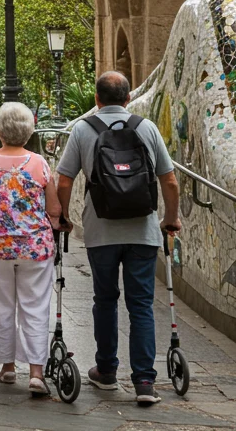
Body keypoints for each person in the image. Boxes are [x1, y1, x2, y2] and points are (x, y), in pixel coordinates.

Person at [56, 71, 181, 406]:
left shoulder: (83, 129)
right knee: (140, 304)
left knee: (105, 300)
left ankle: (107, 371)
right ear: (127, 99)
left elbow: (64, 180)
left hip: (101, 232)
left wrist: (63, 216)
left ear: (97, 99)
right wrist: (171, 219)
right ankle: (143, 382)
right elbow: (169, 181)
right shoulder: (147, 128)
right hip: (143, 231)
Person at [0, 102, 61, 397]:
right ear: (29, 130)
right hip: (35, 247)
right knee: (35, 307)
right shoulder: (39, 163)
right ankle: (36, 373)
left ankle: (8, 367)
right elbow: (54, 208)